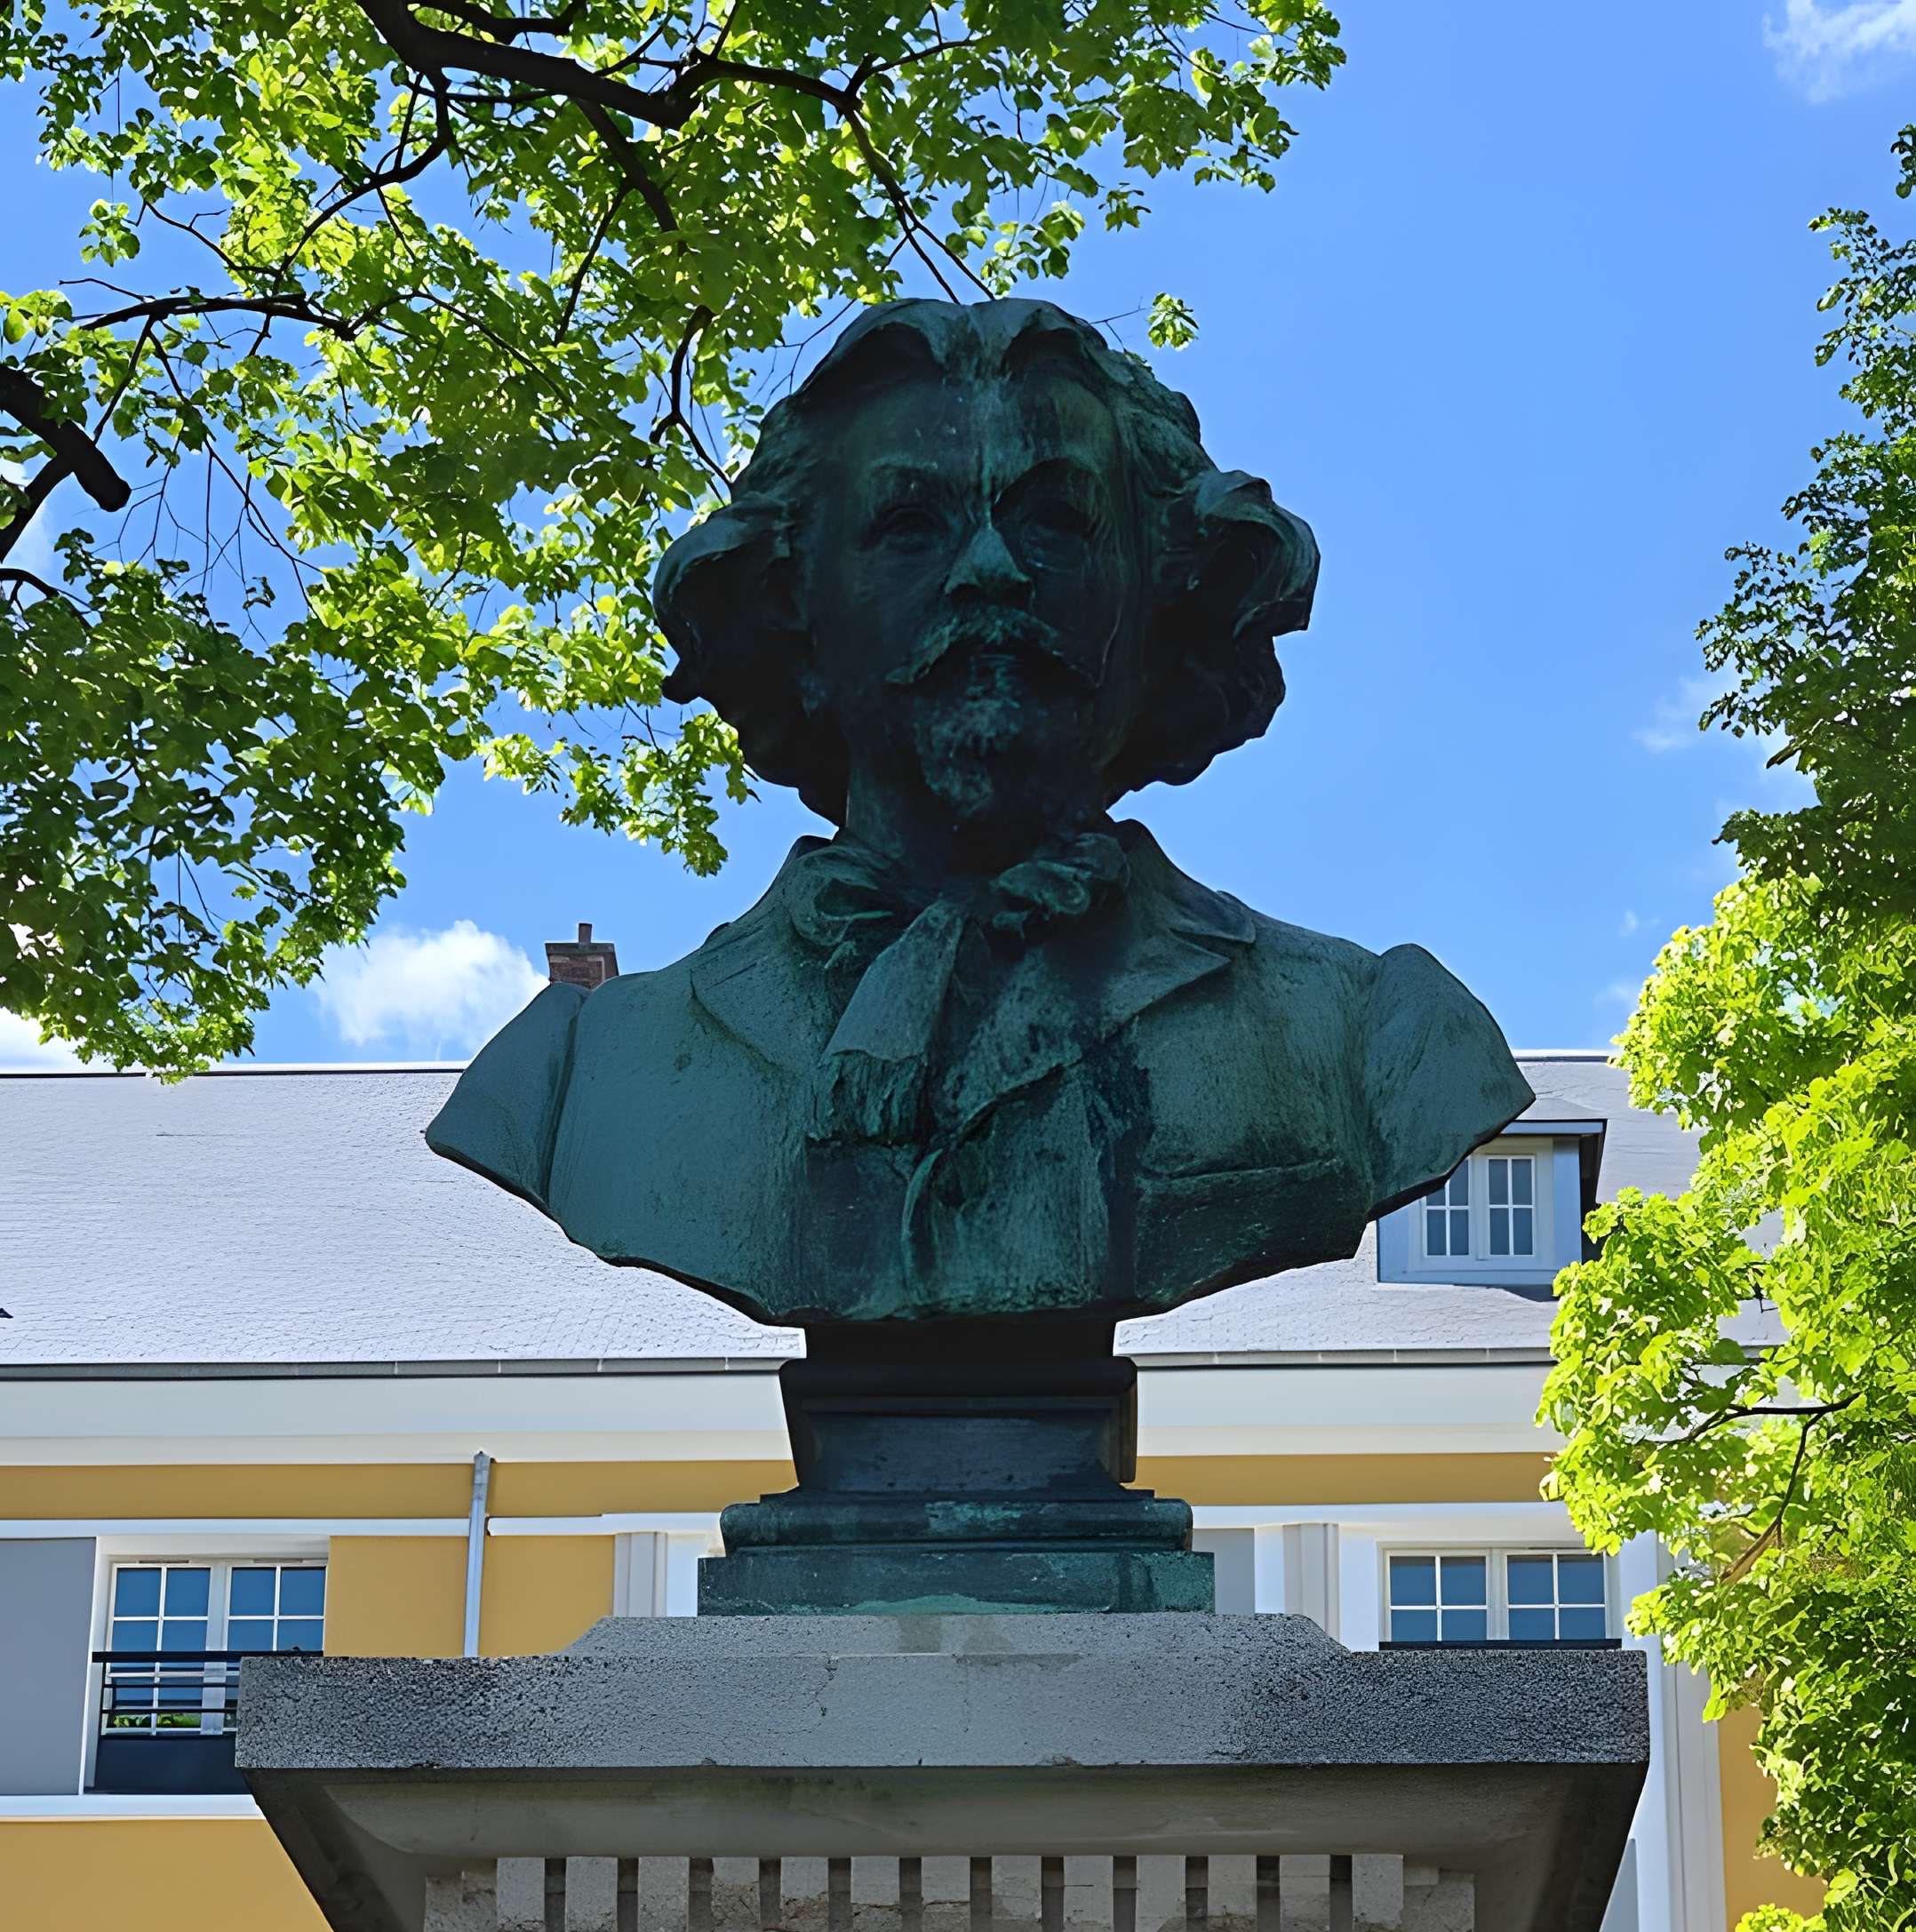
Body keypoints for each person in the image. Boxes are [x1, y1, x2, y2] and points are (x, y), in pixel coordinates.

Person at [427, 299, 1529, 1328]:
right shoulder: (580, 1079)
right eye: (910, 525)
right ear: (790, 611)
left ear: (1161, 603)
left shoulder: (1371, 1043)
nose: (991, 568)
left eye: (1057, 522)